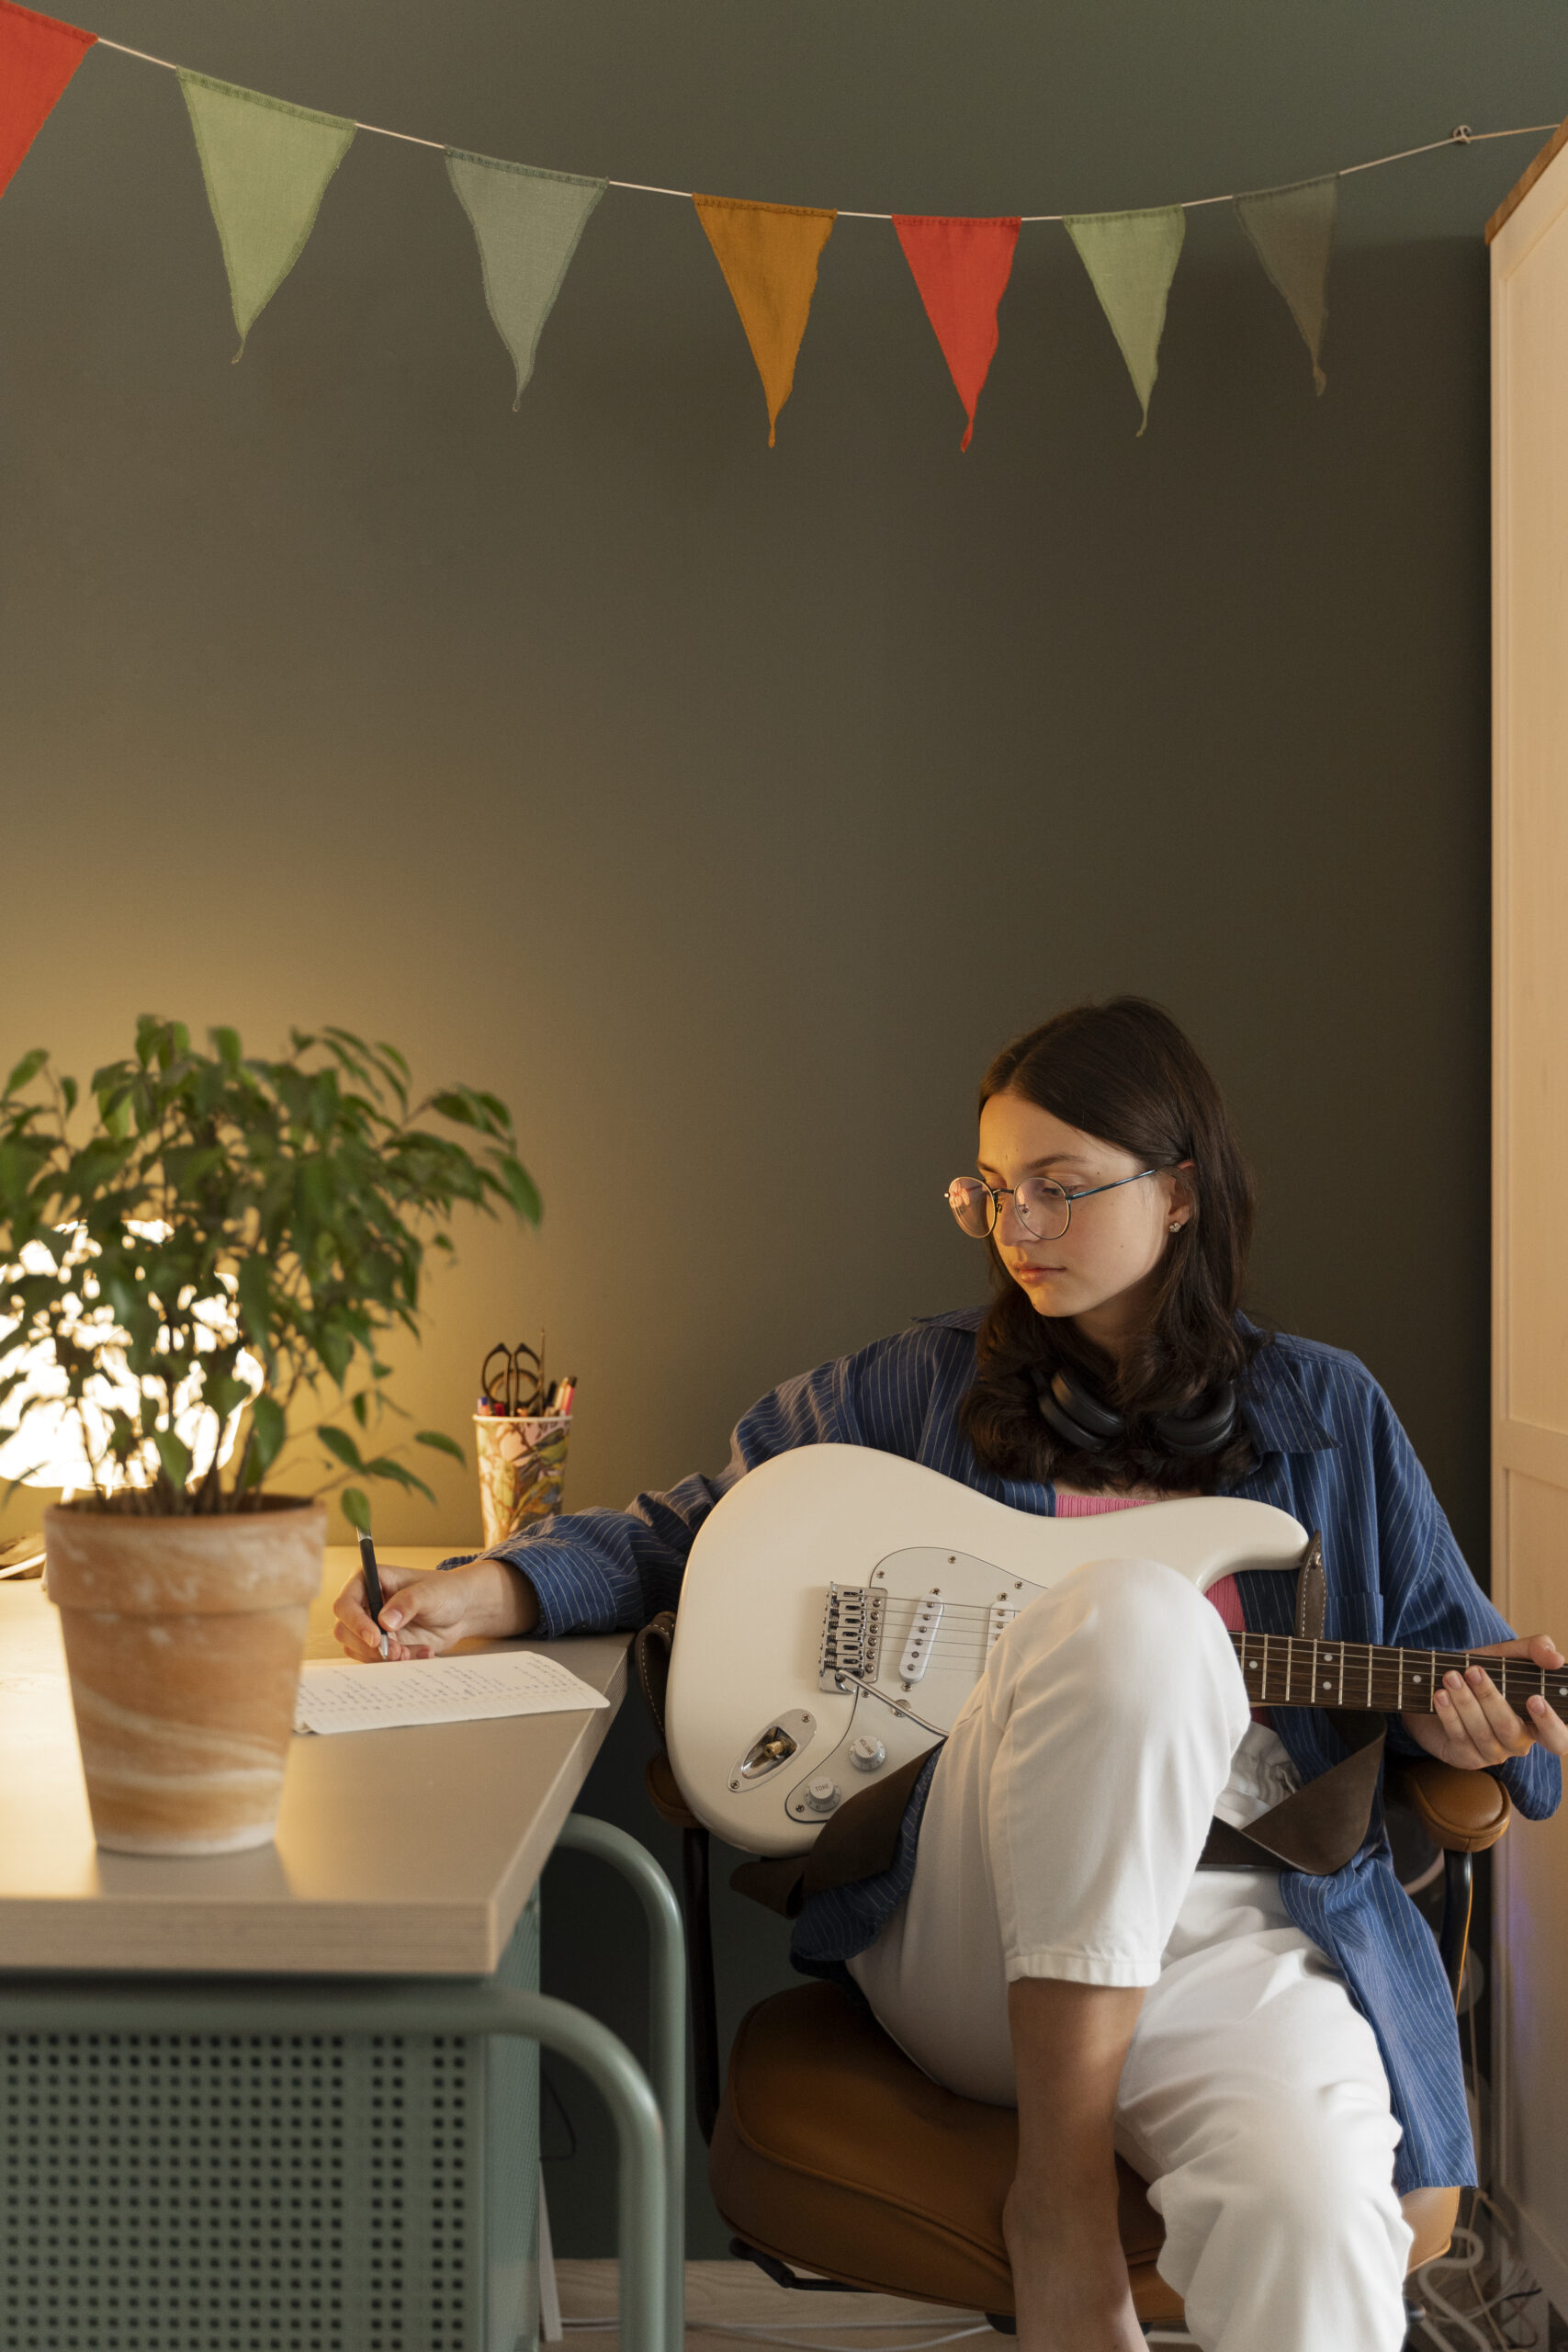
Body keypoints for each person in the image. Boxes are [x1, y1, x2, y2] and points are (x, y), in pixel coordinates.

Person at [333, 997, 1565, 2352]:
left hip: (1234, 1908)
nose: (1018, 1227)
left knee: (1319, 2215)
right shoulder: (914, 1389)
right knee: (1141, 1625)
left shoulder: (1328, 1415)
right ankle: (1060, 2203)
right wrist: (498, 1583)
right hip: (973, 1909)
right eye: (992, 1193)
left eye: (1060, 1187)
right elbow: (693, 1531)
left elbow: (1504, 1712)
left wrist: (1481, 1740)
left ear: (1180, 1196)